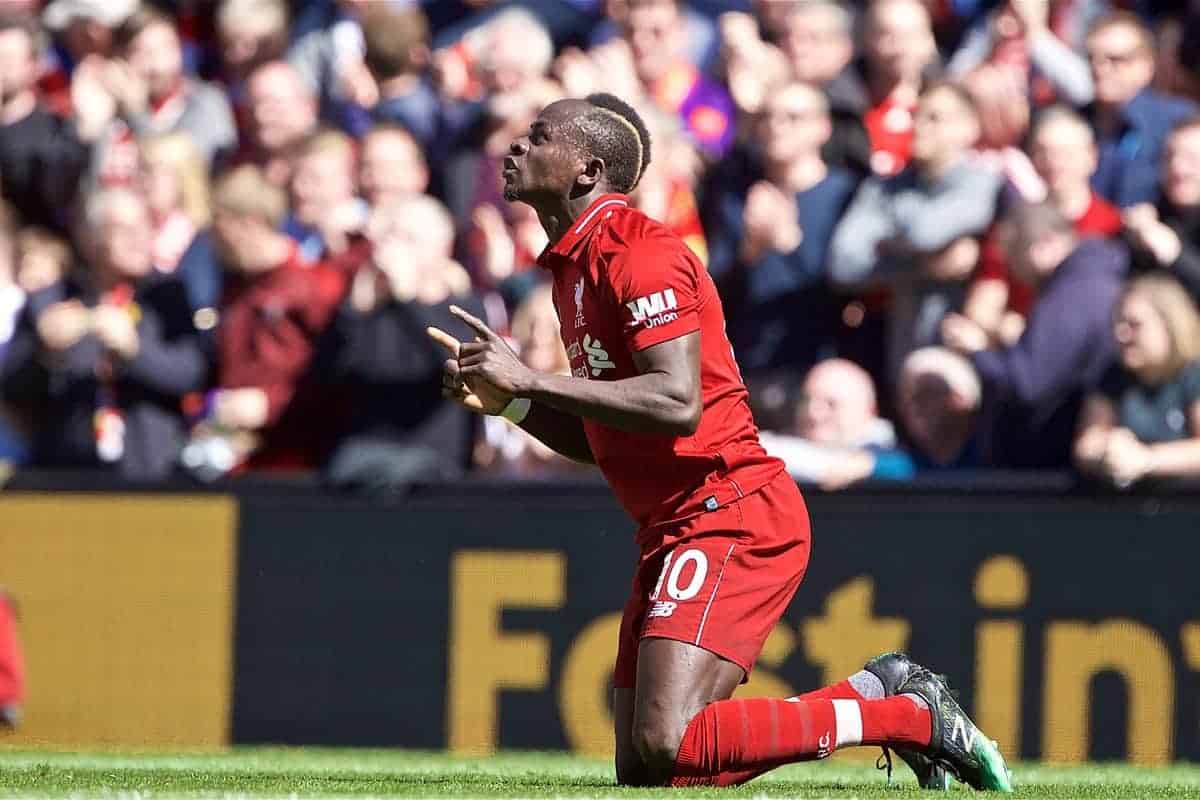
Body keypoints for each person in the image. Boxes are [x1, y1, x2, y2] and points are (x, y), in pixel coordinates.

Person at [428, 92, 1011, 791]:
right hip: (673, 527)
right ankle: (875, 695)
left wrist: (533, 378)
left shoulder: (639, 251)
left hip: (729, 509)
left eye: (539, 135)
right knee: (649, 769)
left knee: (668, 741)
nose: (517, 146)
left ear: (585, 170)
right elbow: (602, 437)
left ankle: (906, 717)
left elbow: (676, 402)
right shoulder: (573, 269)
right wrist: (514, 402)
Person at [0, 188, 207, 479]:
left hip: (152, 476)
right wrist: (47, 353)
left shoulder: (166, 296)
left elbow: (192, 374)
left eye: (144, 226)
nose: (139, 238)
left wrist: (135, 350)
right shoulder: (53, 297)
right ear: (90, 237)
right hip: (68, 478)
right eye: (123, 230)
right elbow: (12, 388)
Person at [830, 81, 1001, 382]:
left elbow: (924, 232)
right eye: (918, 116)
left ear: (970, 128)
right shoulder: (885, 187)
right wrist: (923, 265)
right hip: (902, 363)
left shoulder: (984, 183)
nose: (920, 126)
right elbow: (844, 263)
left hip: (963, 368)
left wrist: (887, 238)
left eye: (935, 118)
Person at [315, 194, 482, 492]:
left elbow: (455, 364)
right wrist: (354, 311)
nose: (393, 249)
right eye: (390, 237)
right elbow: (327, 378)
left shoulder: (464, 307)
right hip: (362, 459)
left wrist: (409, 297)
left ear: (442, 248)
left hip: (432, 464)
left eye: (408, 238)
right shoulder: (368, 311)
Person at [942, 201, 1127, 469]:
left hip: (1050, 471)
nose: (1016, 272)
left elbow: (1027, 385)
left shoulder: (1070, 295)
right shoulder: (1099, 277)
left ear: (1046, 245)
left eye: (1015, 257)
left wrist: (977, 351)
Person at [704, 81, 856, 375]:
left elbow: (845, 293)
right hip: (746, 368)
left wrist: (789, 244)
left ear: (823, 127)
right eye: (768, 117)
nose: (777, 126)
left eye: (793, 118)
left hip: (816, 367)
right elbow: (714, 296)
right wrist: (750, 252)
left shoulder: (845, 195)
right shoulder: (736, 197)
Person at [964, 106, 1122, 347]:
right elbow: (983, 303)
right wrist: (1001, 328)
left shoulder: (1112, 226)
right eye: (1043, 152)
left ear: (1091, 157)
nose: (1054, 163)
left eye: (1066, 153)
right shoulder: (1013, 226)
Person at [1075, 274, 1200, 487]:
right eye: (1118, 323)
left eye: (1135, 325)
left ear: (1169, 325)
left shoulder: (1193, 375)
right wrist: (1107, 450)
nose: (1121, 334)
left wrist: (1147, 459)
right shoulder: (1112, 376)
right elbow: (1086, 444)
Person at [1084, 12, 1195, 207]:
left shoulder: (1180, 121)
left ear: (1147, 66)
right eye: (1093, 59)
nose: (1100, 69)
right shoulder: (1073, 124)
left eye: (1115, 59)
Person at [758, 359, 915, 489]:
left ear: (868, 411)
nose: (813, 413)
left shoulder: (891, 450)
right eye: (806, 401)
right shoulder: (771, 447)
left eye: (831, 404)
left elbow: (919, 467)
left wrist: (871, 466)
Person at [1123, 117, 1200, 301]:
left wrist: (1175, 255)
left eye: (1192, 159)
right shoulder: (1152, 217)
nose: (1177, 168)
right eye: (1169, 157)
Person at [896, 347, 985, 470]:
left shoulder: (995, 459)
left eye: (924, 393)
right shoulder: (902, 461)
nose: (911, 406)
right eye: (905, 396)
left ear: (961, 399)